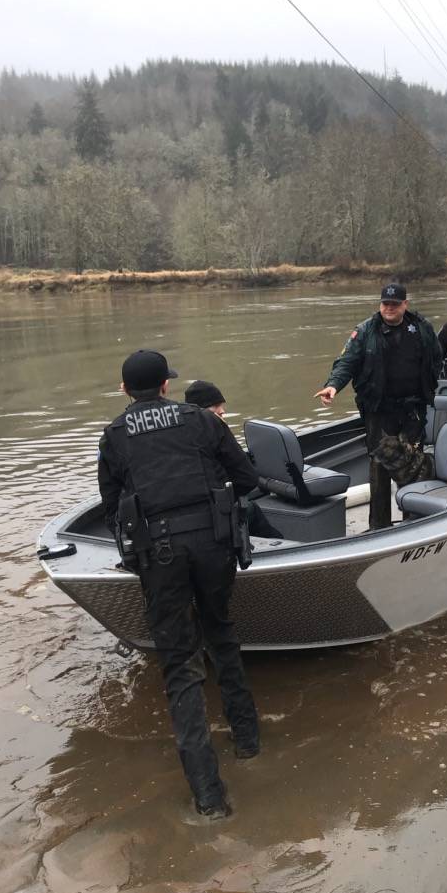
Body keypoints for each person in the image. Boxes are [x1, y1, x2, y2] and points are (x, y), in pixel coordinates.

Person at [98, 350, 261, 820]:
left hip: (160, 555)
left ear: (126, 389)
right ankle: (248, 743)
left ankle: (210, 798)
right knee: (221, 634)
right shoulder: (201, 421)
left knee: (179, 665)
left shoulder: (114, 436)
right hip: (213, 545)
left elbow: (112, 511)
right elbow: (246, 478)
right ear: (166, 386)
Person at [315, 283, 442, 530]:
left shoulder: (422, 328)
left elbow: (436, 359)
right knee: (380, 464)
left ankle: (413, 519)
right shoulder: (365, 331)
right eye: (385, 304)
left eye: (395, 304)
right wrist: (333, 386)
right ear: (380, 304)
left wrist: (429, 385)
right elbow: (346, 363)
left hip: (412, 409)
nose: (389, 308)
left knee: (412, 463)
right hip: (378, 410)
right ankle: (379, 525)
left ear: (405, 304)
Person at [184, 379, 283, 540]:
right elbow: (248, 478)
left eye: (222, 405)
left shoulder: (177, 436)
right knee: (251, 509)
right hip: (211, 512)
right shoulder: (214, 430)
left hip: (188, 512)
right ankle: (282, 548)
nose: (222, 411)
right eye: (216, 407)